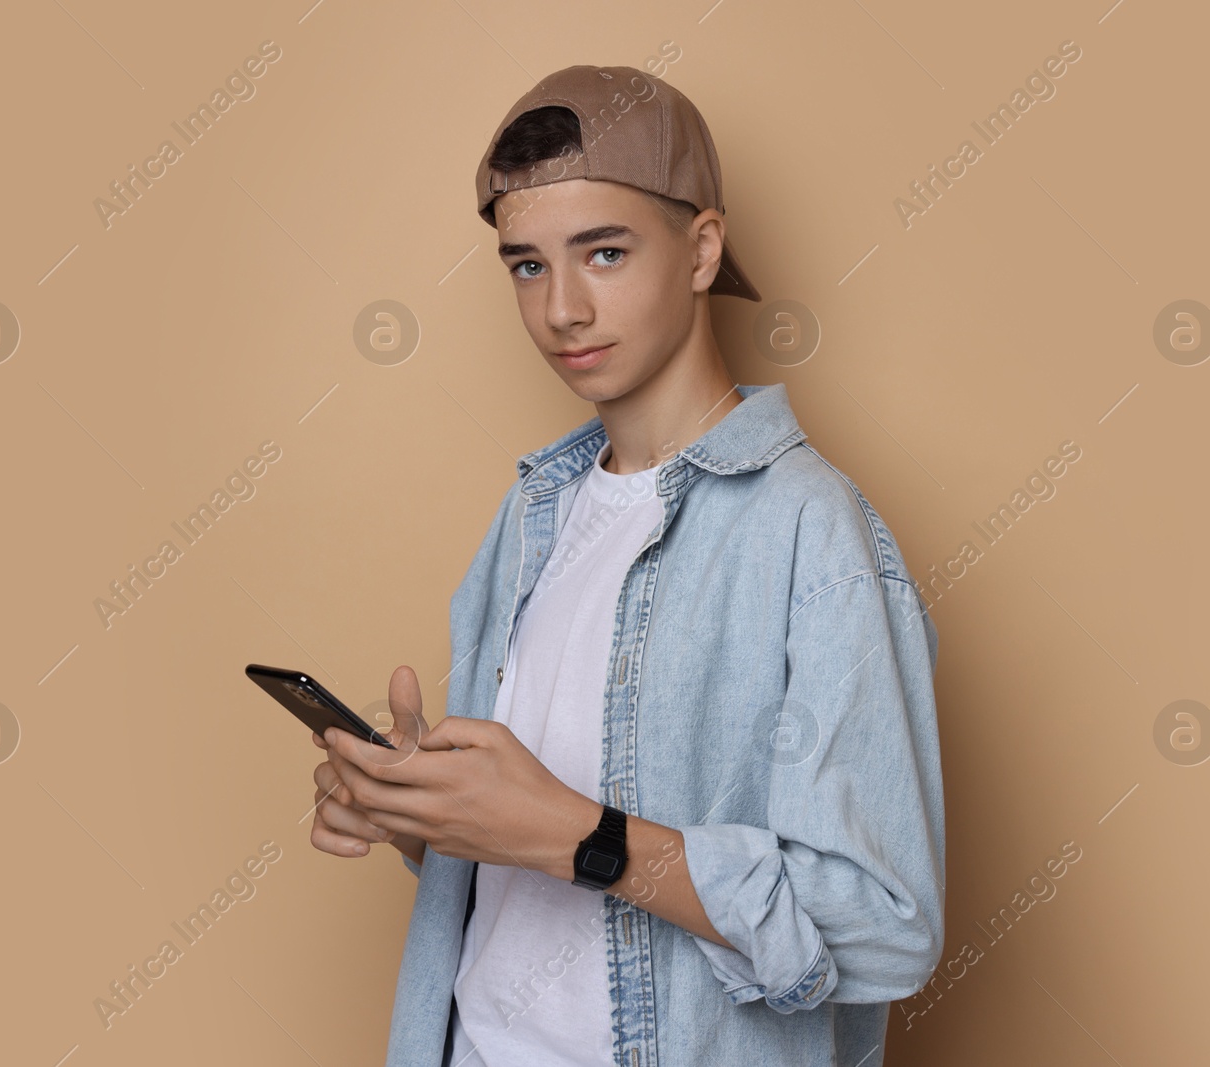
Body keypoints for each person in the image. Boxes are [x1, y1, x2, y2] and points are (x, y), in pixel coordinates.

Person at [309, 64, 945, 1067]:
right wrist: (416, 814)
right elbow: (520, 858)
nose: (561, 308)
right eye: (525, 265)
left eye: (603, 252)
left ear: (701, 249)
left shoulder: (811, 531)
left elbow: (878, 923)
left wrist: (585, 837)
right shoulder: (533, 514)